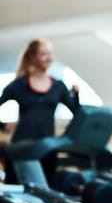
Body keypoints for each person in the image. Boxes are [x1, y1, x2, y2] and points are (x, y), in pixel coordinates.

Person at [0, 38, 80, 183]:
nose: (49, 57)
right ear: (32, 57)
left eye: (50, 53)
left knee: (45, 194)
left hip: (47, 149)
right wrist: (2, 125)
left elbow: (77, 112)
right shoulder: (19, 85)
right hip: (21, 148)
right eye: (44, 54)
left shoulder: (58, 86)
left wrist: (76, 96)